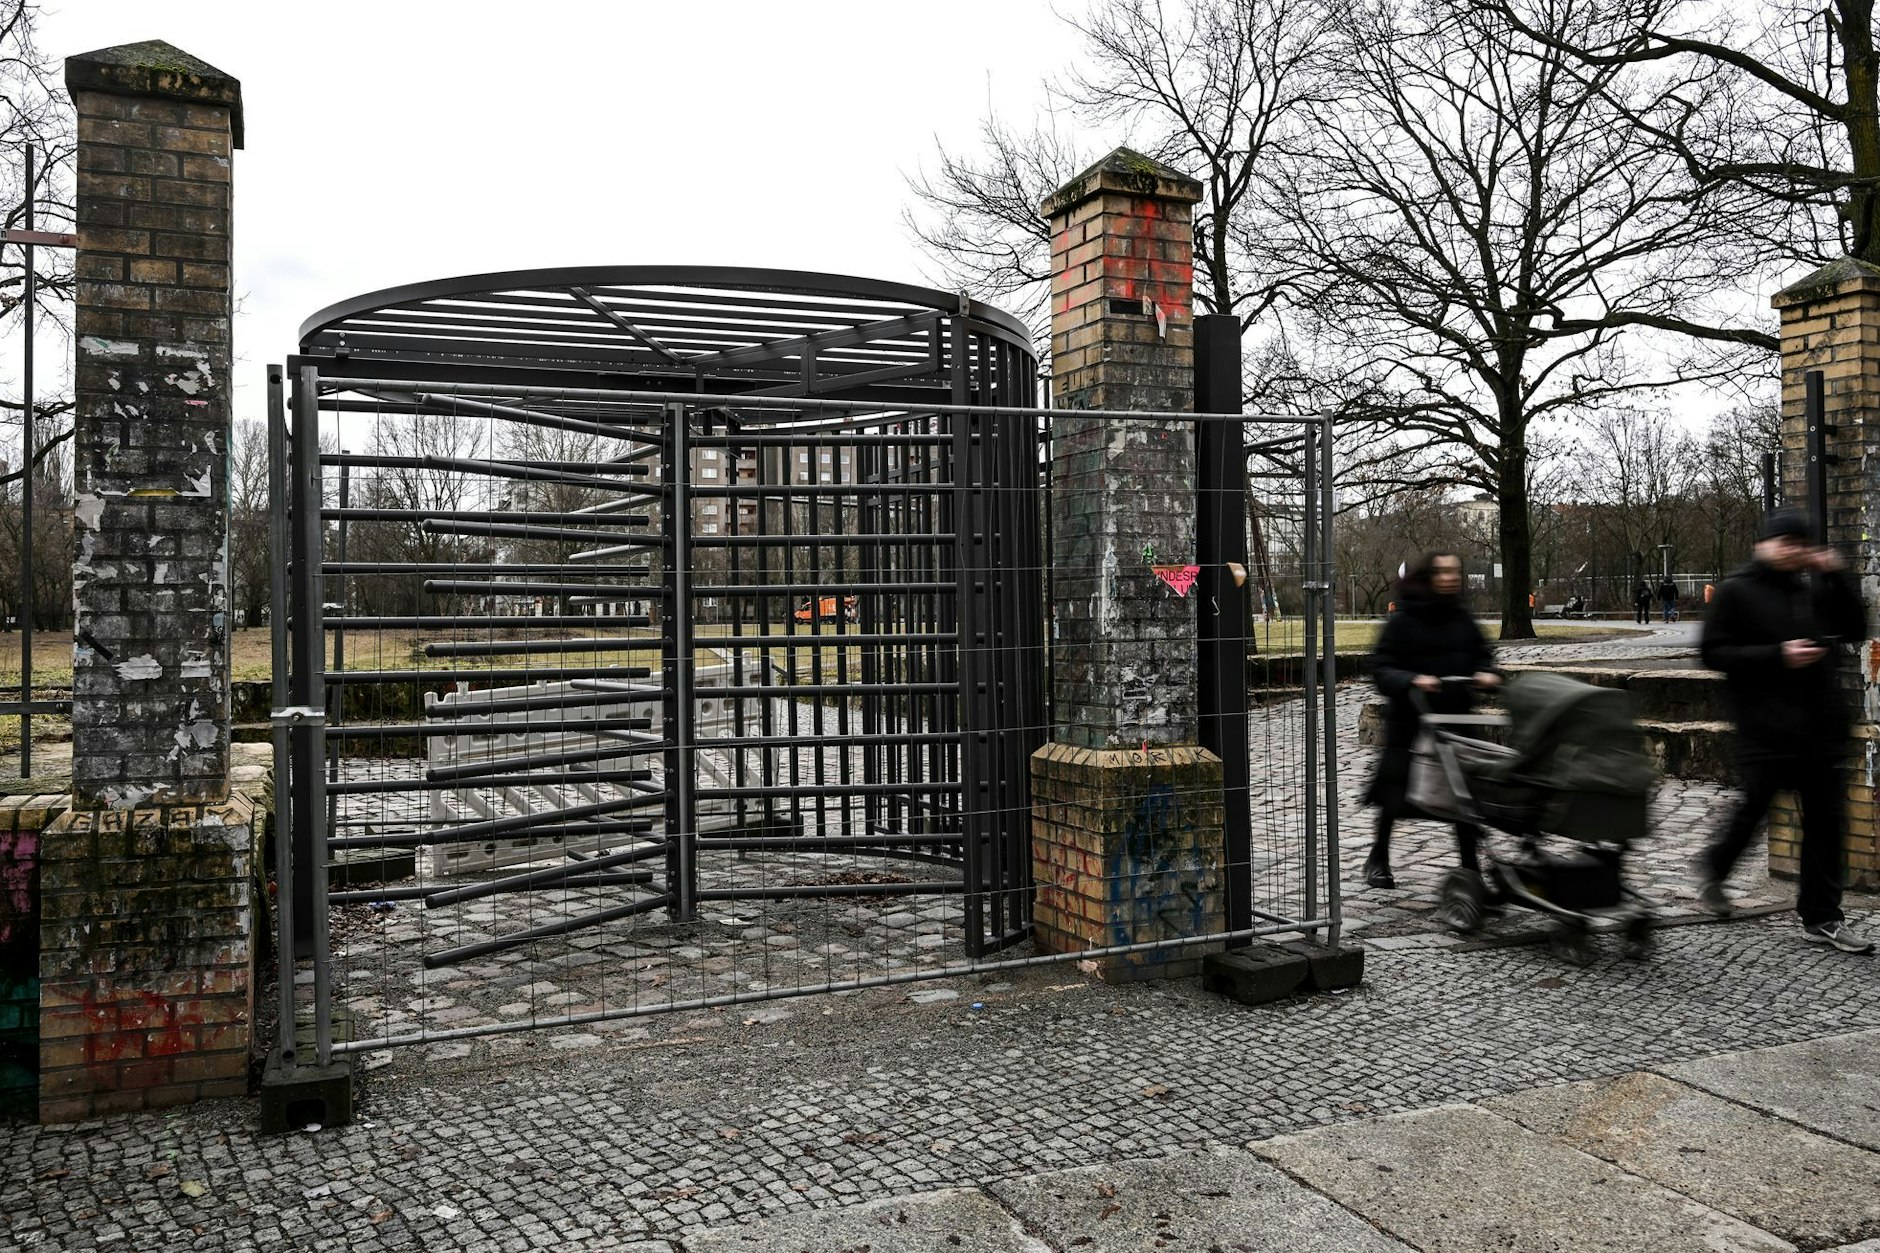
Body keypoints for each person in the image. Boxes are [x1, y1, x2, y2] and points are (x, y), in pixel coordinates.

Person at [1696, 507, 1873, 953]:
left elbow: (1854, 627)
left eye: (1801, 543)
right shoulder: (1736, 591)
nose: (1795, 550)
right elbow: (1713, 653)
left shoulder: (1810, 589)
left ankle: (1822, 916)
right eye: (1786, 542)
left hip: (1818, 728)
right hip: (1764, 727)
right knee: (1753, 809)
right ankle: (1715, 869)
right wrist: (1778, 655)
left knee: (1826, 825)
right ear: (1766, 545)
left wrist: (1835, 576)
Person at [1362, 551, 1499, 889]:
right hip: (1413, 722)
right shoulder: (1402, 622)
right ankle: (1379, 856)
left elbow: (1483, 657)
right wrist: (1411, 680)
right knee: (1396, 794)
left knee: (1463, 797)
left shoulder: (1464, 620)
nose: (1451, 577)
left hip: (1456, 721)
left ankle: (1471, 870)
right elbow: (1381, 667)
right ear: (1428, 577)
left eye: (1456, 571)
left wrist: (1487, 675)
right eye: (1443, 572)